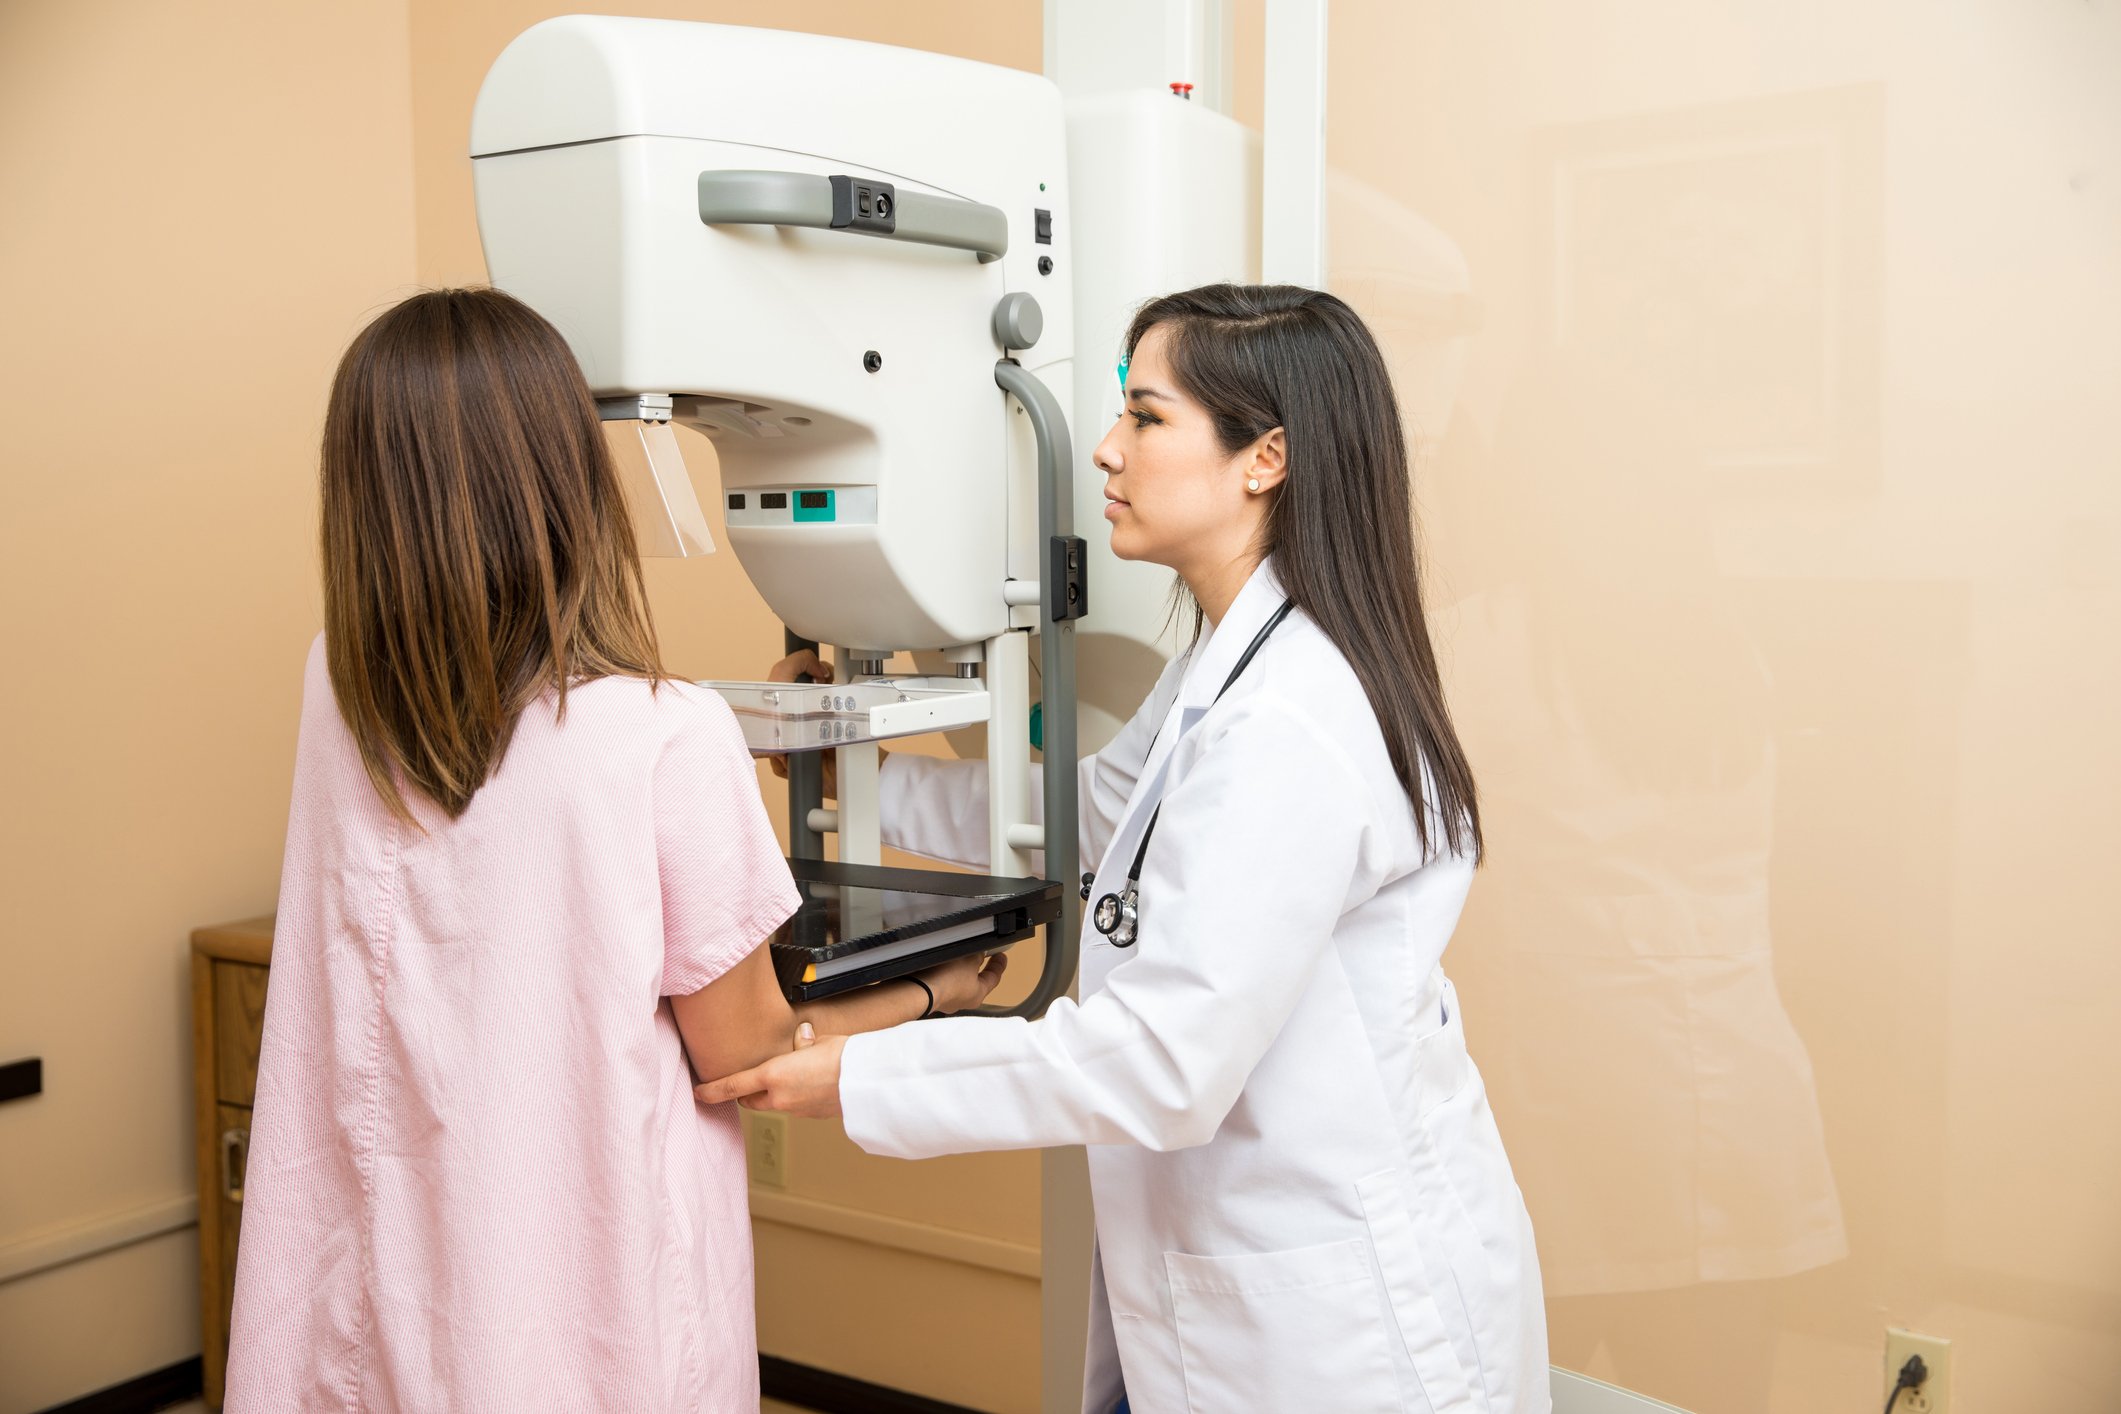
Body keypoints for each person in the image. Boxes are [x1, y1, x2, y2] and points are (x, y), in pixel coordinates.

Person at [703, 284, 1550, 1413]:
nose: (1105, 450)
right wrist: (845, 763)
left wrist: (862, 1073)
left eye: (1146, 417)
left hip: (1338, 1325)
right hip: (1249, 1269)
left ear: (1266, 458)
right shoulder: (1234, 658)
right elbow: (1103, 812)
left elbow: (1164, 1063)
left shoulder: (1287, 718)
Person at [225, 288, 1005, 1412]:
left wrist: (714, 728)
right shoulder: (662, 736)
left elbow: (526, 778)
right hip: (581, 1312)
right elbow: (747, 1052)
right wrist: (936, 986)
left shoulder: (338, 690)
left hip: (397, 1275)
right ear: (562, 479)